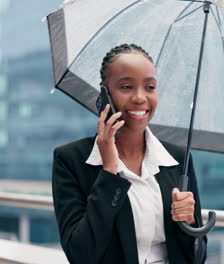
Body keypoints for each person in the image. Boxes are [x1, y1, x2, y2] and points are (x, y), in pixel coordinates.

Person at [52, 44, 207, 264]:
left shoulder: (178, 159)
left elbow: (198, 258)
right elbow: (80, 255)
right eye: (126, 87)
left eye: (150, 87)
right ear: (104, 93)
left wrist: (190, 224)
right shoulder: (71, 160)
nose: (140, 97)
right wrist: (109, 173)